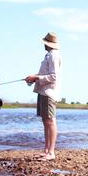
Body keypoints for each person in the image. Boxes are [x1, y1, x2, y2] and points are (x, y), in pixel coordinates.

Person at [26, 32, 62, 161]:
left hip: (49, 92)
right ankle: (47, 150)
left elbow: (54, 77)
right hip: (43, 91)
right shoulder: (49, 55)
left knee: (50, 121)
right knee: (45, 121)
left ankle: (51, 152)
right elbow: (45, 74)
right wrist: (34, 78)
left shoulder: (53, 55)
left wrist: (36, 77)